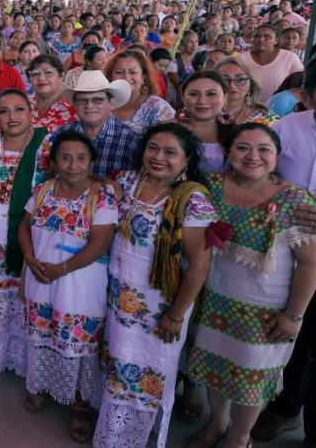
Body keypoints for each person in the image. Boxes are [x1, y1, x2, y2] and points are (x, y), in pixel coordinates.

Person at [187, 123, 316, 448]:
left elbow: (311, 263)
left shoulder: (296, 201)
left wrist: (293, 314)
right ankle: (216, 424)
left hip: (265, 310)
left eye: (264, 149)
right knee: (216, 364)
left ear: (277, 156)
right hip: (214, 299)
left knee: (251, 376)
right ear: (228, 152)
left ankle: (239, 436)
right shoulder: (211, 186)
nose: (253, 156)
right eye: (243, 148)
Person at [252, 57, 316, 448]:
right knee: (291, 335)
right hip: (288, 255)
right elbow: (261, 169)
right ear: (308, 97)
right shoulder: (285, 130)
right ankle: (284, 408)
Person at [94, 123, 216, 448]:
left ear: (186, 159)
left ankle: (131, 437)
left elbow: (200, 265)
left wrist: (175, 316)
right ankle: (111, 429)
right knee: (116, 361)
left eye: (169, 152)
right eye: (153, 148)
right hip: (117, 296)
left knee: (146, 370)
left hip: (160, 305)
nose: (158, 157)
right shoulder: (128, 180)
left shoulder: (193, 200)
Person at [18, 131, 118, 443]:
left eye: (81, 158)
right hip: (41, 276)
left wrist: (62, 268)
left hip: (79, 282)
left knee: (77, 344)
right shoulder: (44, 190)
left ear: (91, 162)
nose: (73, 165)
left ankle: (80, 405)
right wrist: (31, 259)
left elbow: (100, 243)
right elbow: (23, 227)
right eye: (65, 157)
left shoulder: (102, 196)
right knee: (44, 335)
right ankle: (45, 387)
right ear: (55, 162)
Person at [0, 89, 48, 376]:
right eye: (4, 111)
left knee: (27, 297)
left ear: (31, 113)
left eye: (19, 109)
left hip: (31, 235)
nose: (12, 116)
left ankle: (27, 361)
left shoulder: (45, 147)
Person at [53, 70, 136, 179]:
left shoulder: (129, 139)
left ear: (110, 103)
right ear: (75, 105)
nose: (89, 105)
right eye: (82, 100)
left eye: (97, 100)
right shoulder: (62, 133)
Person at [106, 50, 176, 135]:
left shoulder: (157, 107)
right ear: (110, 77)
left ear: (143, 78)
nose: (126, 77)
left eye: (133, 72)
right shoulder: (100, 102)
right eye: (119, 72)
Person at [177, 71, 230, 174]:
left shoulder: (236, 134)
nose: (202, 101)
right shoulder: (167, 130)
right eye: (193, 94)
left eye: (211, 94)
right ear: (183, 97)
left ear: (225, 97)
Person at [238, 24, 304, 104]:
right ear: (252, 39)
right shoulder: (241, 58)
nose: (261, 39)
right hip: (246, 108)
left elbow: (300, 82)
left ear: (276, 40)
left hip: (277, 110)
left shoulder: (289, 57)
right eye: (257, 36)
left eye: (267, 37)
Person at [214, 57, 278, 125]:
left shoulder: (267, 119)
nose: (232, 85)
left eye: (240, 79)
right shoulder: (204, 113)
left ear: (251, 84)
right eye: (225, 80)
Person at [26, 54, 77, 132]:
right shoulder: (24, 104)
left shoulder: (74, 107)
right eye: (35, 74)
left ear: (61, 75)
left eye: (48, 72)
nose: (41, 78)